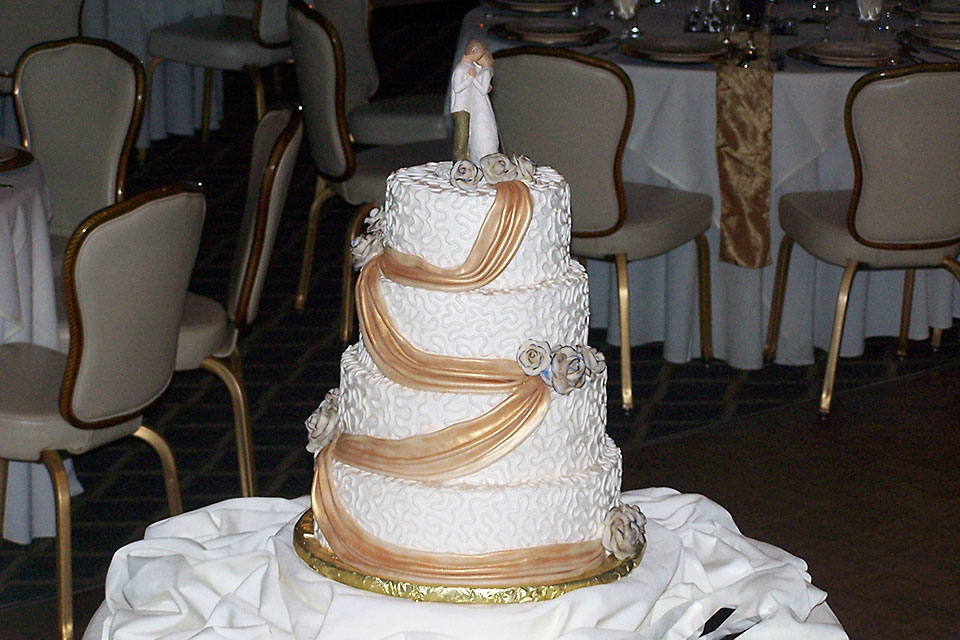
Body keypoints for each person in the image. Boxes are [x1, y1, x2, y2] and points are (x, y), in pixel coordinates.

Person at [450, 39, 499, 164]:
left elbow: (482, 88)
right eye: (478, 56)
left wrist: (475, 78)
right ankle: (460, 162)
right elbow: (457, 87)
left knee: (468, 134)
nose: (478, 60)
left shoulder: (478, 69)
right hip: (461, 106)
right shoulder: (462, 69)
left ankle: (467, 159)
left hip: (470, 105)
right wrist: (472, 78)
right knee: (463, 135)